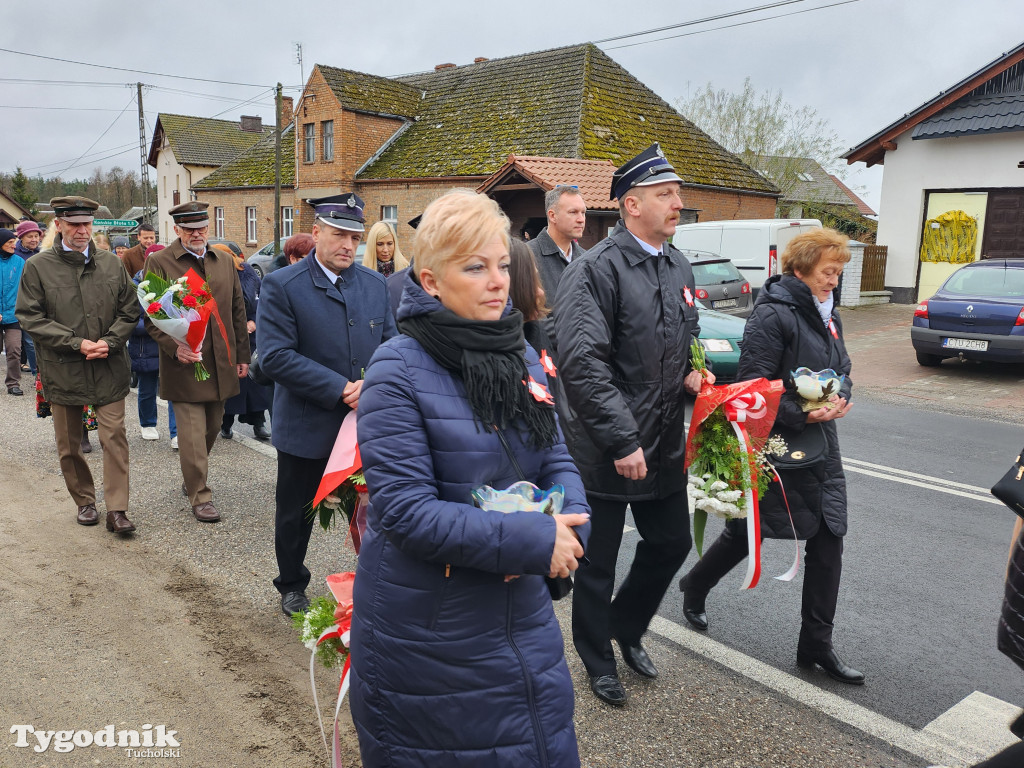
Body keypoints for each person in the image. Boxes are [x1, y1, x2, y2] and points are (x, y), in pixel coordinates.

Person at [350, 189, 590, 767]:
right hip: (432, 630)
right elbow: (406, 512)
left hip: (520, 612)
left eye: (503, 265)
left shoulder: (521, 355)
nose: (497, 281)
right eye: (475, 267)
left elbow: (555, 456)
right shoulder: (396, 370)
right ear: (430, 281)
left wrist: (572, 528)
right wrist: (536, 540)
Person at [554, 143, 712, 706]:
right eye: (666, 195)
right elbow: (582, 362)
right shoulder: (597, 269)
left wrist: (697, 374)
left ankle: (624, 626)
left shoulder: (679, 265)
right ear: (630, 205)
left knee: (670, 543)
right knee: (597, 563)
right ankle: (598, 659)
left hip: (663, 441)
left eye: (677, 193)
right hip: (607, 447)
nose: (679, 203)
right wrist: (622, 438)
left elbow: (683, 340)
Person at [678, 227, 862, 684]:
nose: (834, 281)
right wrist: (804, 412)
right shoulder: (773, 315)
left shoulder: (828, 313)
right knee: (746, 534)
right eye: (828, 272)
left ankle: (816, 647)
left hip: (823, 446)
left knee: (829, 537)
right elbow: (750, 389)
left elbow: (842, 366)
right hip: (778, 447)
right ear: (800, 269)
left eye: (838, 273)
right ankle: (695, 584)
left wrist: (839, 396)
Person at [257, 193, 397, 616]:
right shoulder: (283, 285)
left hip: (363, 423)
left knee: (372, 509)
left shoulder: (374, 285)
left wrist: (372, 384)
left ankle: (376, 579)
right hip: (307, 424)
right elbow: (276, 356)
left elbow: (392, 343)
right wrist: (340, 387)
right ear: (316, 233)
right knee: (295, 512)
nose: (348, 246)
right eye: (339, 235)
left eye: (355, 238)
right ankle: (292, 583)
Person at [15, 196, 139, 534]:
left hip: (109, 365)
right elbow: (30, 316)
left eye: (87, 224)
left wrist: (110, 342)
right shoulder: (37, 267)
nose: (82, 230)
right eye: (74, 224)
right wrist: (76, 342)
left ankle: (117, 509)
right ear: (59, 225)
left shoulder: (112, 264)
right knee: (69, 443)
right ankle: (85, 500)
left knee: (114, 437)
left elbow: (130, 310)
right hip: (63, 367)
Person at [143, 201, 249, 523]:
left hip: (220, 362)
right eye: (189, 229)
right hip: (184, 364)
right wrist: (174, 348)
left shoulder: (224, 261)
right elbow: (152, 318)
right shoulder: (159, 262)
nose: (197, 234)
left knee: (212, 427)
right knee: (190, 433)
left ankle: (192, 474)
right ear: (177, 230)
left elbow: (236, 310)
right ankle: (200, 495)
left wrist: (242, 355)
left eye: (202, 228)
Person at [217, 243, 271, 441]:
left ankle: (259, 423)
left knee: (255, 383)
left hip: (252, 338)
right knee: (233, 385)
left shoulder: (248, 275)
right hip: (229, 337)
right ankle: (226, 423)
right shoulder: (215, 276)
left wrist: (254, 321)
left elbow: (262, 302)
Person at [129, 244, 177, 449]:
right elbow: (130, 320)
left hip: (171, 344)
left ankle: (177, 432)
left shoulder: (173, 284)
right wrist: (156, 324)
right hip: (145, 346)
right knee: (147, 388)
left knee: (175, 389)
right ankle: (148, 423)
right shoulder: (134, 285)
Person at [528, 185, 587, 302]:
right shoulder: (527, 255)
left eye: (583, 212)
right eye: (573, 212)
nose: (581, 219)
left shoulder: (587, 258)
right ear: (552, 216)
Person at [14, 220, 42, 376]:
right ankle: (36, 374)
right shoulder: (14, 255)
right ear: (21, 237)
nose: (34, 239)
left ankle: (42, 374)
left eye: (36, 236)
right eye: (30, 236)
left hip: (40, 302)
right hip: (21, 303)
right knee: (29, 341)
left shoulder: (41, 253)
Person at [0, 229, 25, 394]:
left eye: (14, 242)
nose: (14, 245)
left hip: (13, 315)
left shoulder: (20, 262)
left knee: (14, 350)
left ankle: (13, 383)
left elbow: (26, 286)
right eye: (10, 242)